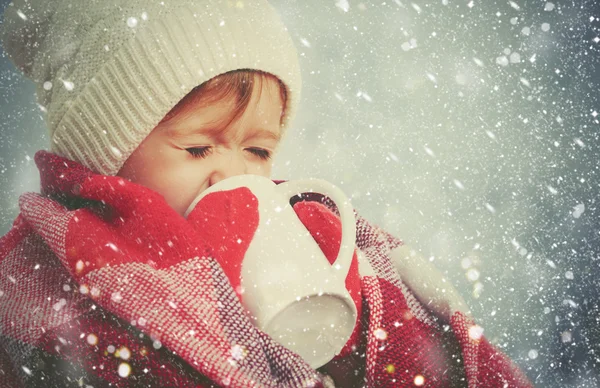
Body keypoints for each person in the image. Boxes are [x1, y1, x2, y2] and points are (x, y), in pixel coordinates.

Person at [0, 0, 533, 387]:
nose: (231, 175)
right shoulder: (44, 273)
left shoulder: (310, 233)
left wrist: (347, 328)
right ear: (106, 151)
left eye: (257, 151)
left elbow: (416, 360)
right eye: (198, 148)